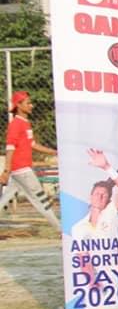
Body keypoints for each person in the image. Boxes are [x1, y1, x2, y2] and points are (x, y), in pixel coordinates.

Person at [0, 91, 60, 230]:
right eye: (28, 103)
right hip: (22, 170)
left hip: (20, 170)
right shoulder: (16, 124)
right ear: (19, 105)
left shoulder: (25, 123)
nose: (31, 105)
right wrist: (6, 171)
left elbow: (32, 144)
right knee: (41, 200)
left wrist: (54, 151)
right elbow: (10, 148)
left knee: (4, 199)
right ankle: (61, 230)